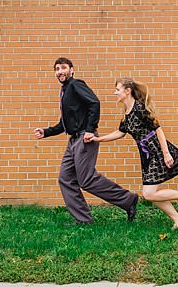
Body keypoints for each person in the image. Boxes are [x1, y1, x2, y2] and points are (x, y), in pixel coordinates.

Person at [33, 57, 139, 224]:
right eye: (57, 69)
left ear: (72, 70)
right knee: (66, 178)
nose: (60, 71)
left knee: (86, 179)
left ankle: (128, 199)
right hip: (73, 141)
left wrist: (90, 130)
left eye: (63, 68)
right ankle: (84, 220)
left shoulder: (76, 85)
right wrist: (46, 132)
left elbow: (94, 103)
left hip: (85, 138)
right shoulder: (65, 91)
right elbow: (65, 123)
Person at [85, 77, 178, 230]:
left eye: (117, 89)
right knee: (151, 192)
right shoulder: (127, 113)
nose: (115, 93)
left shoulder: (139, 108)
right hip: (146, 156)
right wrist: (98, 139)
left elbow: (158, 129)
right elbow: (120, 132)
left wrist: (166, 153)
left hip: (156, 151)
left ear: (127, 91)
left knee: (149, 193)